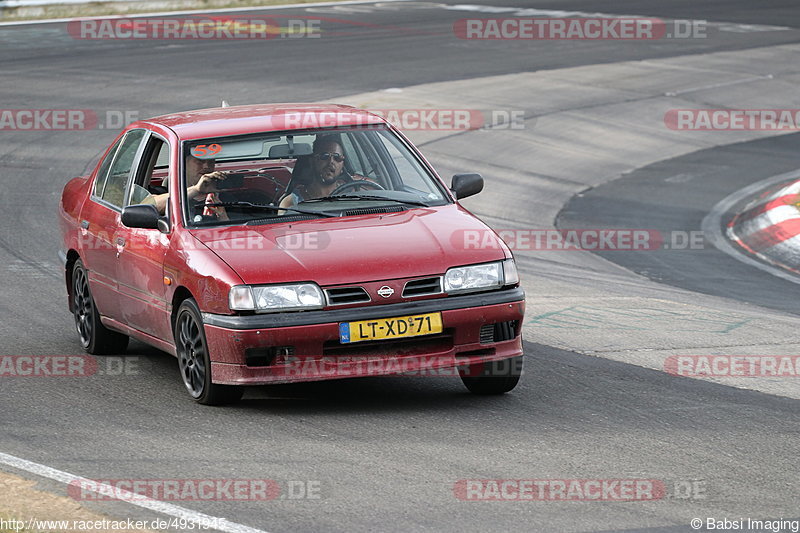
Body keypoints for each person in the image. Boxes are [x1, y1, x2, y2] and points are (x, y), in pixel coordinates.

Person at [279, 135, 353, 210]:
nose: (331, 162)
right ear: (312, 161)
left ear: (343, 165)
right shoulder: (291, 203)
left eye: (337, 158)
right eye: (324, 156)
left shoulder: (354, 195)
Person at [152, 154, 228, 220]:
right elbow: (148, 206)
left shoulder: (226, 198)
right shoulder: (165, 193)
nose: (206, 166)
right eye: (200, 161)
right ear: (183, 163)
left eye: (211, 161)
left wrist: (222, 216)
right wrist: (196, 190)